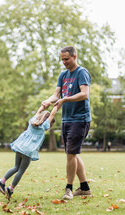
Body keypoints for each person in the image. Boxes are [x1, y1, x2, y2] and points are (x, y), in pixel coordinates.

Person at [42, 46, 92, 200]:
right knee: (73, 153)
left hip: (80, 119)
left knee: (71, 153)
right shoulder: (63, 75)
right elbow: (57, 94)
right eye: (62, 59)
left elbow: (84, 94)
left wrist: (66, 99)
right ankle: (84, 188)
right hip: (67, 119)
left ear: (74, 57)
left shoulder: (81, 72)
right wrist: (48, 101)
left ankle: (68, 189)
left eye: (67, 59)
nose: (64, 62)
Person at [0, 104, 58, 200]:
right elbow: (52, 114)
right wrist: (58, 104)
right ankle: (10, 189)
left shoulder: (33, 120)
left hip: (20, 146)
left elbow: (39, 111)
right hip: (28, 150)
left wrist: (44, 105)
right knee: (21, 170)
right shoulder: (44, 125)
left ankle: (2, 181)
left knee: (16, 167)